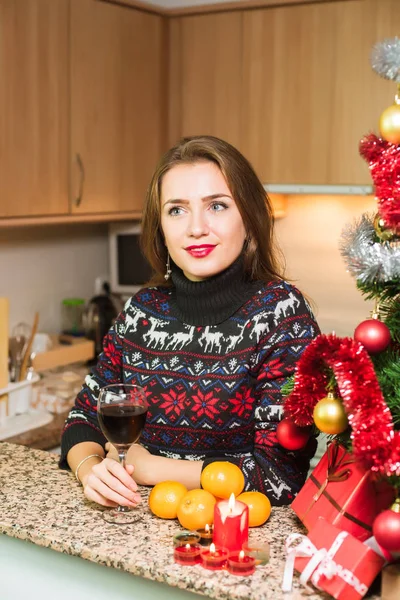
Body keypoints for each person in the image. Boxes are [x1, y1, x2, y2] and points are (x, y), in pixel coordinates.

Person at [60, 135, 320, 508]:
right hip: (133, 534)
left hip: (225, 547)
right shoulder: (142, 311)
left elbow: (279, 476)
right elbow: (83, 416)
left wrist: (153, 469)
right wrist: (90, 471)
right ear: (161, 228)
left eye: (216, 206)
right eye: (177, 210)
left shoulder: (281, 315)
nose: (196, 228)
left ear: (249, 216)